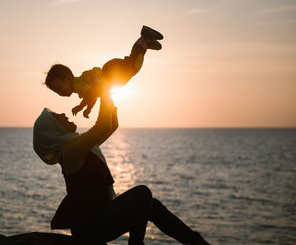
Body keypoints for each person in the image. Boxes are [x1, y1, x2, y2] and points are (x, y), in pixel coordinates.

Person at [33, 91, 210, 245]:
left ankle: (195, 241)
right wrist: (102, 90)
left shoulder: (79, 146)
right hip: (89, 228)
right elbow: (102, 126)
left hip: (97, 219)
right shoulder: (71, 149)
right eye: (57, 117)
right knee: (143, 194)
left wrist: (108, 94)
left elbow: (110, 126)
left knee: (151, 206)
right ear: (53, 130)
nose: (63, 115)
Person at [44, 25, 163, 118]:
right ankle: (145, 43)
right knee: (132, 64)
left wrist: (82, 107)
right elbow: (93, 95)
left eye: (59, 88)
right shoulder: (79, 85)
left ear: (68, 78)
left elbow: (91, 94)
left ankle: (144, 38)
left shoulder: (77, 84)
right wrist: (87, 108)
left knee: (133, 67)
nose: (59, 93)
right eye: (56, 91)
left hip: (111, 74)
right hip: (110, 71)